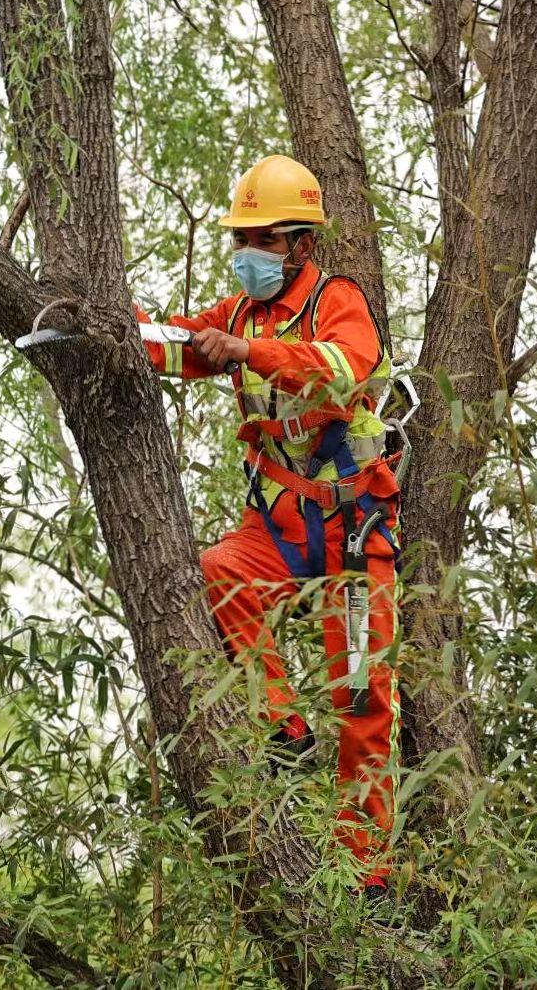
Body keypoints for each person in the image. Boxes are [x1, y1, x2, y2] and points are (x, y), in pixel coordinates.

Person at [136, 154, 400, 899]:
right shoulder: (240, 313)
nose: (246, 254)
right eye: (241, 239)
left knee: (362, 694)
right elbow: (175, 341)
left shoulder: (335, 303)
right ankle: (282, 725)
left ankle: (366, 871)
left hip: (353, 531)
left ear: (300, 246)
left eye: (262, 241)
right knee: (214, 572)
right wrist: (109, 323)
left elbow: (347, 368)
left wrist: (253, 353)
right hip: (280, 527)